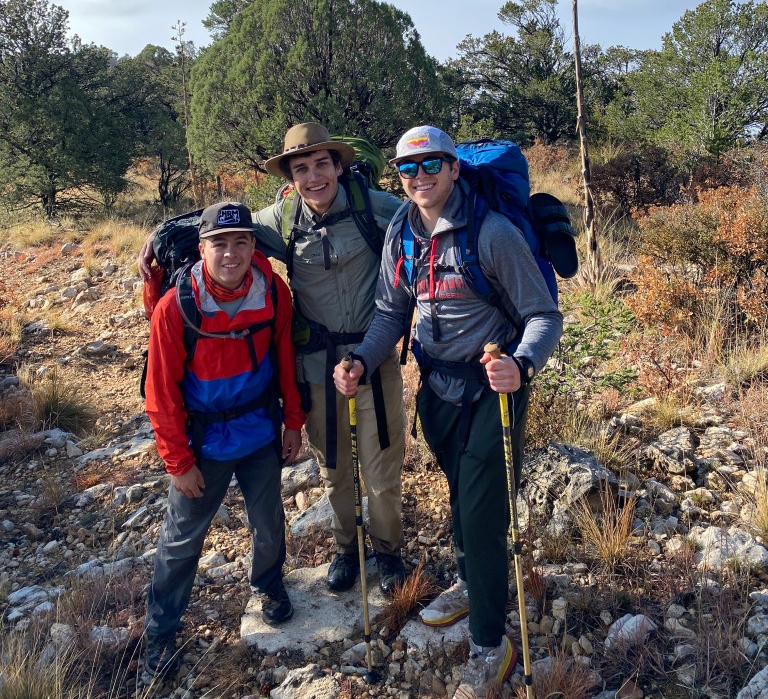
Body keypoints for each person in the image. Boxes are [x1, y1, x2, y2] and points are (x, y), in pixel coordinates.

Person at [333, 125, 563, 695]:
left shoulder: (493, 232)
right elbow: (391, 312)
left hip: (494, 389)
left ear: (455, 168)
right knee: (461, 492)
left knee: (483, 507)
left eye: (432, 165)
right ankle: (470, 580)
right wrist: (361, 358)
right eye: (408, 169)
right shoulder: (401, 233)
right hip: (436, 388)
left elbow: (543, 316)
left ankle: (491, 640)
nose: (420, 178)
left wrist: (523, 365)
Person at [139, 123, 407, 596]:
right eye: (301, 168)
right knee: (335, 470)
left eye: (322, 164)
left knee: (382, 471)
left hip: (374, 357)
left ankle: (387, 551)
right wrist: (162, 234)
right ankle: (347, 549)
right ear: (289, 176)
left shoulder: (376, 209)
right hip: (319, 368)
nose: (314, 177)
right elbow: (225, 224)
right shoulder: (280, 218)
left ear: (339, 166)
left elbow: (426, 215)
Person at [142, 202, 304, 684]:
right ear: (202, 247)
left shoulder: (273, 291)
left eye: (241, 242)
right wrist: (177, 461)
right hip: (202, 442)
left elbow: (285, 357)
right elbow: (160, 394)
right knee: (180, 542)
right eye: (219, 243)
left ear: (254, 245)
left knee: (269, 520)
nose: (230, 253)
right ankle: (161, 632)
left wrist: (293, 422)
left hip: (258, 431)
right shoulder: (177, 306)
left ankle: (269, 586)